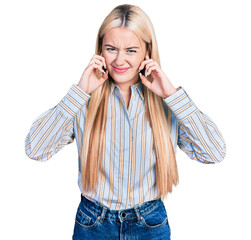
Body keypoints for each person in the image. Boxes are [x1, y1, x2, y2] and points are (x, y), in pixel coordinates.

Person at [24, 4, 226, 240]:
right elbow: (35, 149)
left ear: (147, 52)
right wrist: (79, 92)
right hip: (93, 224)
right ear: (100, 49)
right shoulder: (82, 100)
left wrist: (172, 96)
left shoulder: (169, 103)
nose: (120, 60)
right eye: (111, 48)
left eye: (131, 50)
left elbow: (215, 153)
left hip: (150, 224)